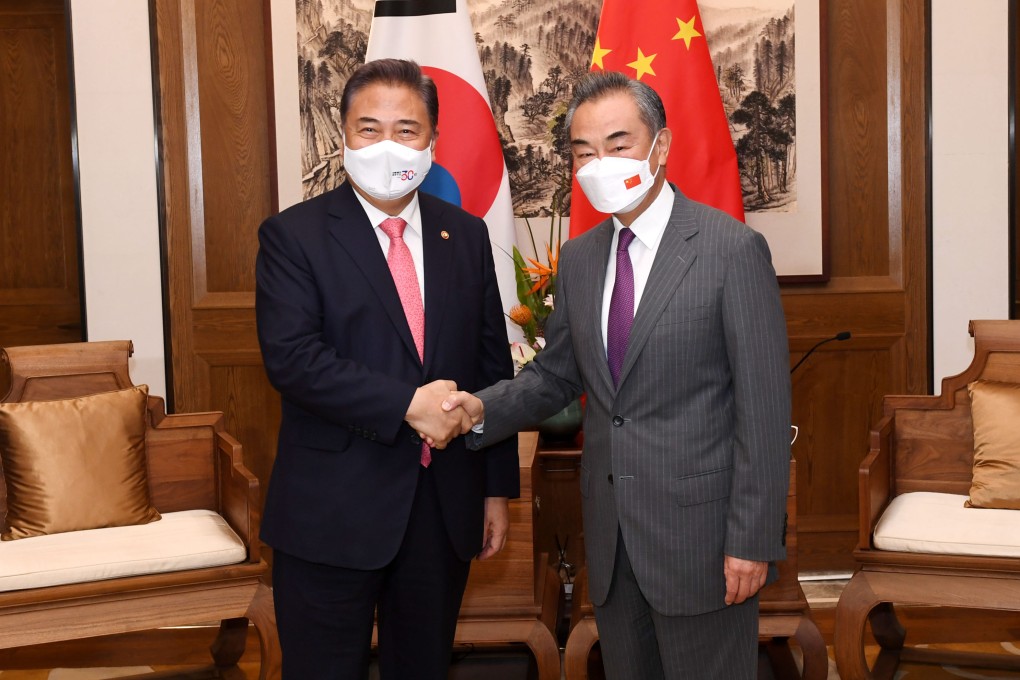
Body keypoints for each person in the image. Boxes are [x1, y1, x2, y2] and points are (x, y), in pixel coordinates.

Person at [440, 71, 791, 679]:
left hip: (702, 542)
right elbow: (555, 377)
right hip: (610, 539)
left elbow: (762, 411)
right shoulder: (581, 256)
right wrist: (475, 410)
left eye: (619, 144)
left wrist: (752, 540)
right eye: (584, 151)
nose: (600, 163)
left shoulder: (730, 250)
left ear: (661, 146)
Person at [254, 58, 519, 680]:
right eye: (369, 129)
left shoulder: (467, 234)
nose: (386, 145)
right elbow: (294, 360)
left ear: (433, 140)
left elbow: (491, 367)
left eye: (407, 129)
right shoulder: (294, 236)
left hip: (442, 506)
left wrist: (497, 489)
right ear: (342, 133)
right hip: (331, 512)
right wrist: (407, 404)